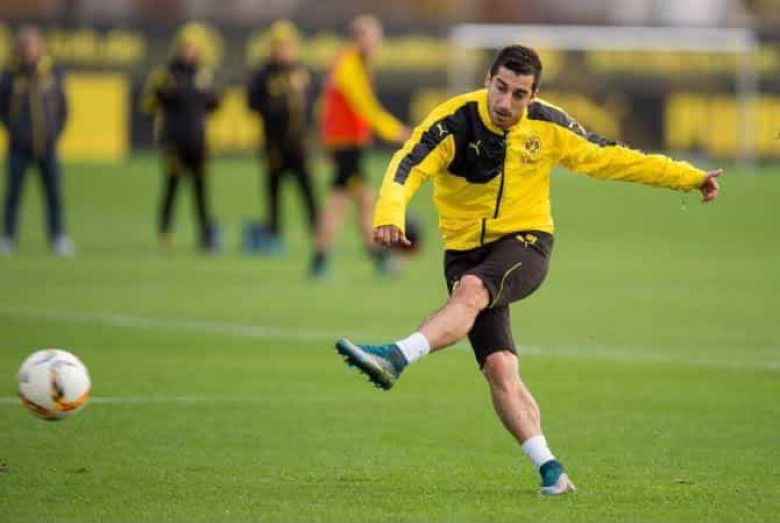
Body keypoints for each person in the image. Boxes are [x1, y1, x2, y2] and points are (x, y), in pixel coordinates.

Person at [335, 44, 722, 496]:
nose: (506, 102)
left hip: (526, 242)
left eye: (519, 94)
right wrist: (390, 211)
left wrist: (687, 177)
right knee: (500, 369)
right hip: (463, 251)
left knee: (472, 292)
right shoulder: (454, 121)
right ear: (487, 80)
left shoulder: (548, 125)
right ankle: (552, 470)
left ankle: (396, 357)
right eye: (500, 88)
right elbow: (408, 165)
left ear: (533, 95)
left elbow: (613, 157)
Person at [311, 14, 410, 277]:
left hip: (345, 143)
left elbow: (327, 107)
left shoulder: (351, 63)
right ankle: (328, 260)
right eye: (374, 38)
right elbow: (365, 106)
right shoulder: (348, 65)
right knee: (347, 201)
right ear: (359, 38)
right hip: (345, 144)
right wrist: (396, 131)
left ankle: (366, 257)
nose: (377, 44)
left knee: (356, 199)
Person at [140, 24, 221, 253]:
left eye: (193, 48)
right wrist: (163, 93)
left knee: (201, 190)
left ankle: (205, 237)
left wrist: (209, 92)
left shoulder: (203, 75)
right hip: (174, 141)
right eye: (186, 47)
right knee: (172, 188)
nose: (189, 52)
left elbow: (215, 104)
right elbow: (148, 105)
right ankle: (164, 236)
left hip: (198, 141)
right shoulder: (166, 75)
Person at [0, 26, 72, 257]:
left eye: (31, 46)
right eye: (24, 47)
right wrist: (16, 131)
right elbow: (3, 110)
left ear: (39, 48)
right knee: (13, 193)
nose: (28, 51)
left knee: (53, 194)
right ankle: (8, 237)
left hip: (47, 146)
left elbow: (63, 109)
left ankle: (57, 237)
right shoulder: (9, 75)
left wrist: (55, 134)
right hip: (19, 147)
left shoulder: (51, 73)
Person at [246, 20, 317, 254]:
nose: (283, 50)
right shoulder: (263, 74)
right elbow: (252, 104)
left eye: (287, 45)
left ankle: (318, 236)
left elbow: (311, 104)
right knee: (274, 192)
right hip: (274, 144)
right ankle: (274, 236)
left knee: (307, 190)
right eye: (278, 45)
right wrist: (280, 98)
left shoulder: (301, 71)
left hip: (299, 144)